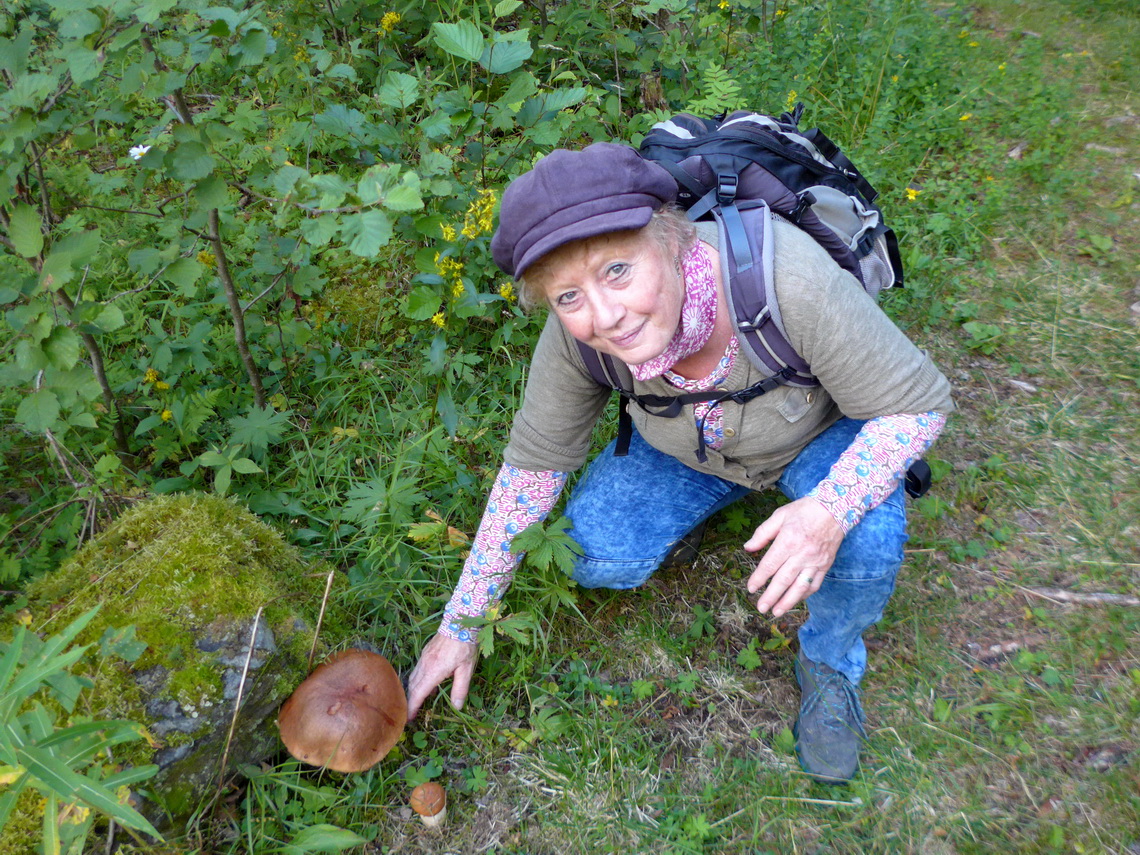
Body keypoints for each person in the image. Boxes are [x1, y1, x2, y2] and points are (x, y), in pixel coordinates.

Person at [406, 142, 952, 783]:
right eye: (568, 297)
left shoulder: (787, 281)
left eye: (617, 271)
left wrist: (831, 509)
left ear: (669, 237)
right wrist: (462, 624)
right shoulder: (576, 341)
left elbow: (918, 405)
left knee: (864, 541)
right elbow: (533, 468)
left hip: (815, 434)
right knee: (590, 553)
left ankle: (830, 661)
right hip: (686, 449)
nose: (605, 317)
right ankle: (721, 502)